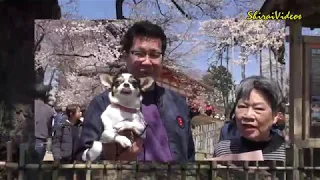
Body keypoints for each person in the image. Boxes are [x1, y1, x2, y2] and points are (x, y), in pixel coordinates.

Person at [75, 21, 195, 162]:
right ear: (125, 56)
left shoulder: (177, 103)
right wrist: (110, 156)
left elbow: (189, 157)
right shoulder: (102, 104)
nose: (147, 61)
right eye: (139, 53)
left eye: (154, 54)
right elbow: (81, 158)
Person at [213, 76, 286, 162]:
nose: (248, 115)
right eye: (242, 106)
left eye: (258, 108)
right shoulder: (223, 151)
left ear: (275, 116)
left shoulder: (288, 153)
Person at [34, 83, 55, 162]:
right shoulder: (49, 110)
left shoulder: (29, 106)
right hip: (41, 139)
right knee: (37, 164)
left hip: (27, 137)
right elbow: (51, 127)